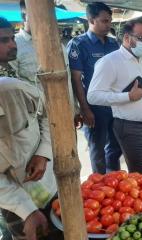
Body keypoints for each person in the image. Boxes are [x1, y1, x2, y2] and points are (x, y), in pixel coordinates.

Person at [0, 17, 62, 240]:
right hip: (10, 199)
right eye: (3, 40)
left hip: (45, 182)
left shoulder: (11, 86)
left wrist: (43, 154)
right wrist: (26, 210)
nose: (13, 44)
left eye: (11, 38)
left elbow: (48, 114)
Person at [87, 20, 142, 175]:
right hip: (132, 129)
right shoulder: (110, 62)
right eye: (141, 38)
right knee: (139, 174)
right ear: (127, 38)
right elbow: (93, 96)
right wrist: (128, 96)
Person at [67, 2, 122, 174]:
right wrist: (84, 109)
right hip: (94, 108)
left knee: (116, 146)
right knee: (97, 148)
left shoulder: (114, 44)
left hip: (115, 104)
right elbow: (76, 79)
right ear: (91, 20)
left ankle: (114, 180)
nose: (109, 25)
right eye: (104, 21)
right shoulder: (78, 44)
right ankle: (100, 184)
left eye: (110, 21)